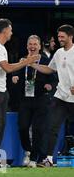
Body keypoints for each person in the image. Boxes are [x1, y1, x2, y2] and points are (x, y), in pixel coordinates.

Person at [0, 19, 40, 168]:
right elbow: (7, 68)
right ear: (5, 30)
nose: (12, 33)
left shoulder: (1, 47)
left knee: (1, 124)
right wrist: (27, 62)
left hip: (0, 90)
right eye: (11, 30)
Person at [29, 24, 74, 167]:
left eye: (62, 36)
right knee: (52, 126)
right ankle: (48, 159)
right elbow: (50, 69)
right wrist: (33, 65)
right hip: (60, 96)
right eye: (58, 36)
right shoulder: (59, 53)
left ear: (70, 37)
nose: (59, 39)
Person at [12, 35, 56, 167]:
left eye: (35, 44)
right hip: (25, 100)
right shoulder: (22, 60)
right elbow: (15, 73)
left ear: (40, 46)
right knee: (22, 127)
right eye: (30, 44)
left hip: (41, 99)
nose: (32, 47)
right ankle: (28, 150)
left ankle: (34, 158)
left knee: (38, 130)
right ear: (27, 46)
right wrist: (15, 78)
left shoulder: (46, 60)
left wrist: (50, 86)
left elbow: (54, 78)